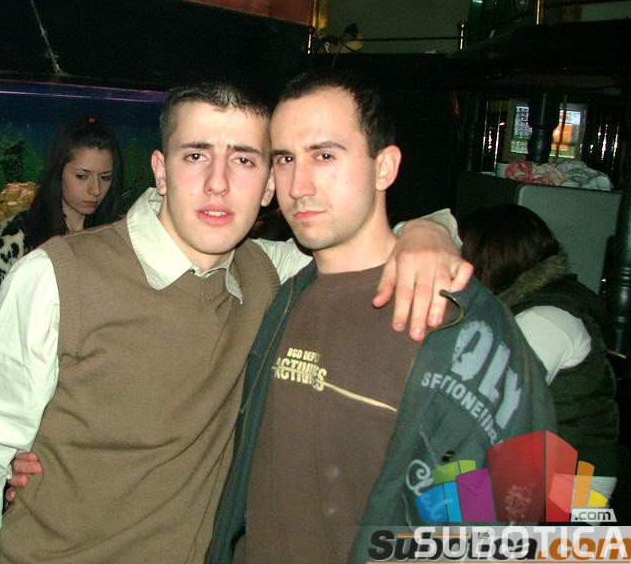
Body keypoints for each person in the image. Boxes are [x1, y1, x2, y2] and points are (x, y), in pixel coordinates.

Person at [0, 80, 469, 564]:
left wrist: (429, 232)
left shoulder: (270, 273)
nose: (218, 184)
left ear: (269, 186)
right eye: (196, 155)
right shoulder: (56, 277)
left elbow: (364, 243)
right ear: (161, 171)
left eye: (244, 160)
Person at [206, 69, 555, 564]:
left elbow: (519, 507)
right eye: (285, 158)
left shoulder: (461, 322)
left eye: (325, 155)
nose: (298, 185)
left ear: (384, 167)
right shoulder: (286, 297)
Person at [459, 204, 618, 456]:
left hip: (574, 471)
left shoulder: (544, 318)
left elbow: (490, 406)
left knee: (435, 476)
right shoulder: (520, 309)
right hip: (537, 460)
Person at [0, 116, 124, 356]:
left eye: (105, 177)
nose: (95, 189)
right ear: (58, 171)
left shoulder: (119, 238)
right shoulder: (15, 237)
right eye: (82, 176)